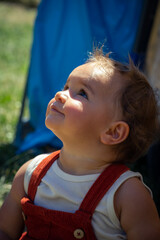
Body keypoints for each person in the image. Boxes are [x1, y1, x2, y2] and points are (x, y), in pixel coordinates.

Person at [0, 48, 160, 240]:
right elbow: (6, 231)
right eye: (66, 86)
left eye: (82, 93)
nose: (60, 94)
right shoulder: (31, 173)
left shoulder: (126, 194)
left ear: (113, 132)